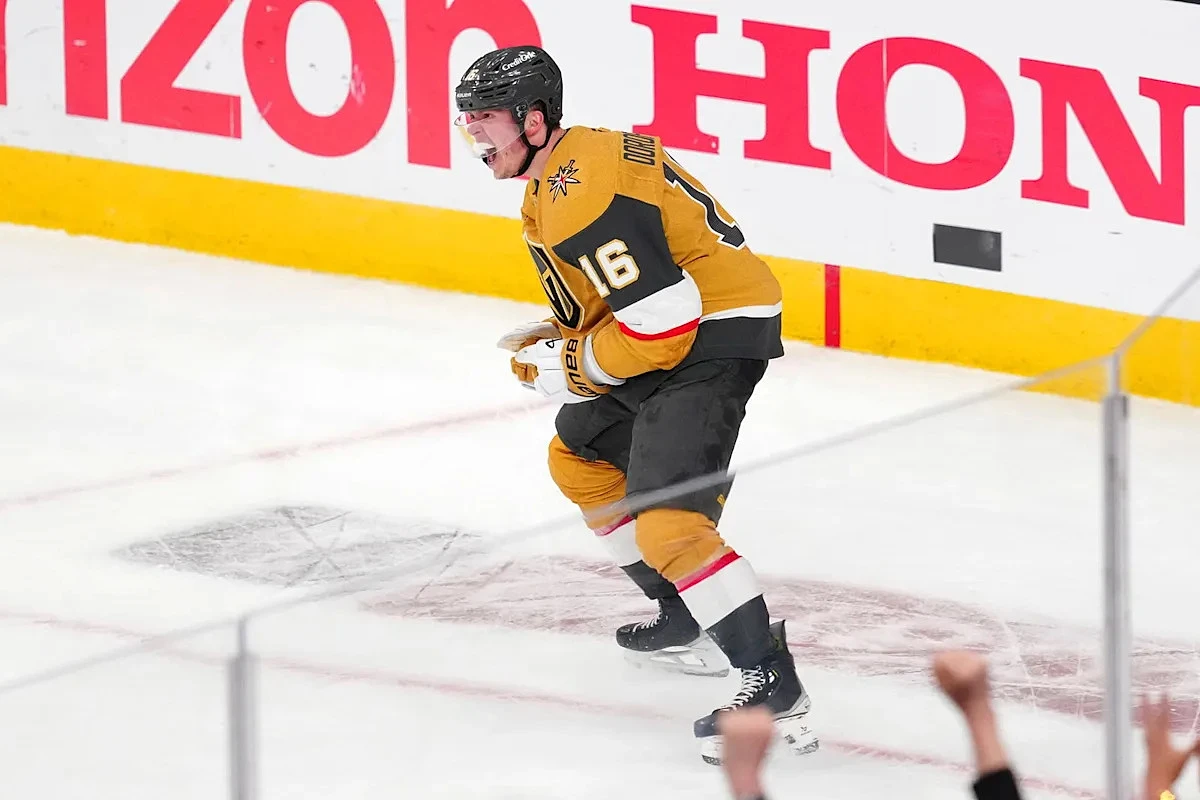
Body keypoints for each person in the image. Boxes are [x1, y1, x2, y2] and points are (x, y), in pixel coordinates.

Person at [452, 44, 818, 764]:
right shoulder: (573, 162)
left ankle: (773, 684)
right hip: (684, 329)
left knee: (670, 525)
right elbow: (641, 288)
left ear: (533, 119)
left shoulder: (579, 195)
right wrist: (572, 335)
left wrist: (576, 364)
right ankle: (686, 613)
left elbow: (663, 326)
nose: (474, 135)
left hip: (710, 341)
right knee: (580, 457)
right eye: (469, 120)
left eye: (486, 118)